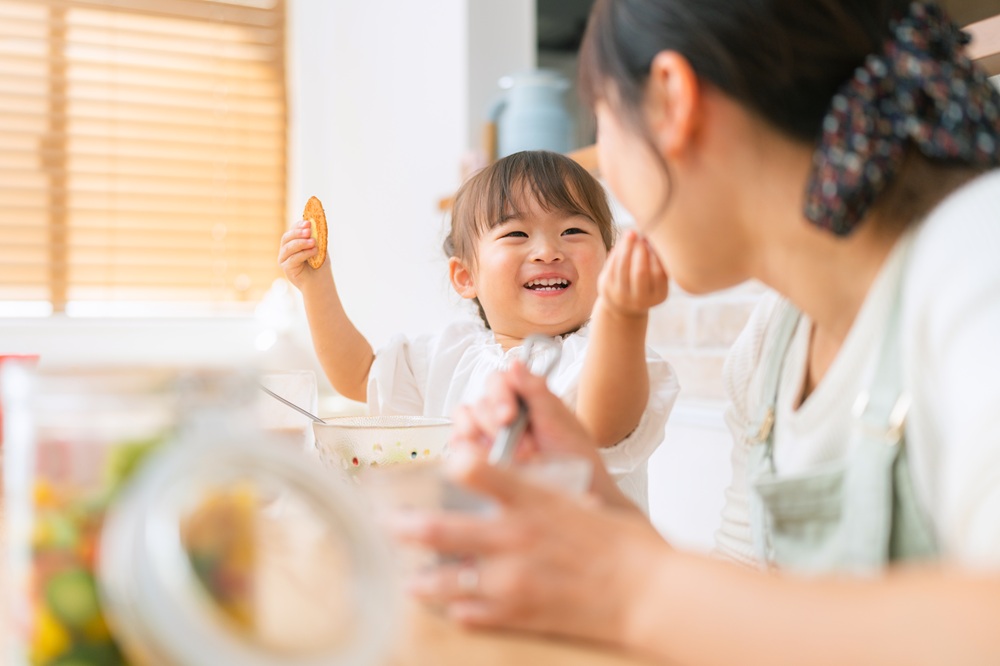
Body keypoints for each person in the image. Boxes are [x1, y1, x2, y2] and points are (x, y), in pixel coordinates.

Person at [391, 0, 1000, 663]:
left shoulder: (977, 253)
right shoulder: (768, 349)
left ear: (671, 102)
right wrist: (603, 516)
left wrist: (628, 583)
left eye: (601, 122)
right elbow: (747, 615)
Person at [278, 150, 680, 509]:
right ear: (466, 276)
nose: (547, 251)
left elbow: (602, 428)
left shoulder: (608, 359)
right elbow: (359, 376)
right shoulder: (447, 356)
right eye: (517, 234)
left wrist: (623, 315)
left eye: (572, 231)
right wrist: (315, 285)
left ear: (609, 260)